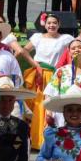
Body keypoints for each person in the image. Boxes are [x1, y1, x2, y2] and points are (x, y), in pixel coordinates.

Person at [23, 13, 75, 149]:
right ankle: (38, 140)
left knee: (52, 106)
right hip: (40, 73)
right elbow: (25, 51)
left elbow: (76, 47)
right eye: (49, 23)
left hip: (55, 74)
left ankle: (52, 139)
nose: (51, 25)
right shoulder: (37, 37)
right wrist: (35, 65)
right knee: (40, 105)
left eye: (54, 23)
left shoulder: (65, 38)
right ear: (44, 25)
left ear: (59, 25)